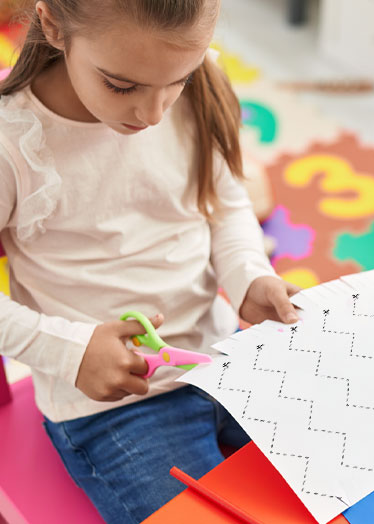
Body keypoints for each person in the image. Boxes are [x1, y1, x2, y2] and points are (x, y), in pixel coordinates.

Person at [0, 1, 300, 522]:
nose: (153, 114)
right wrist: (69, 351)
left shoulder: (195, 79)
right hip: (112, 409)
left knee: (358, 479)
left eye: (177, 81)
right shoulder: (12, 143)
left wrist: (249, 275)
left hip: (223, 354)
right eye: (122, 86)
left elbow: (225, 203)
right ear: (52, 25)